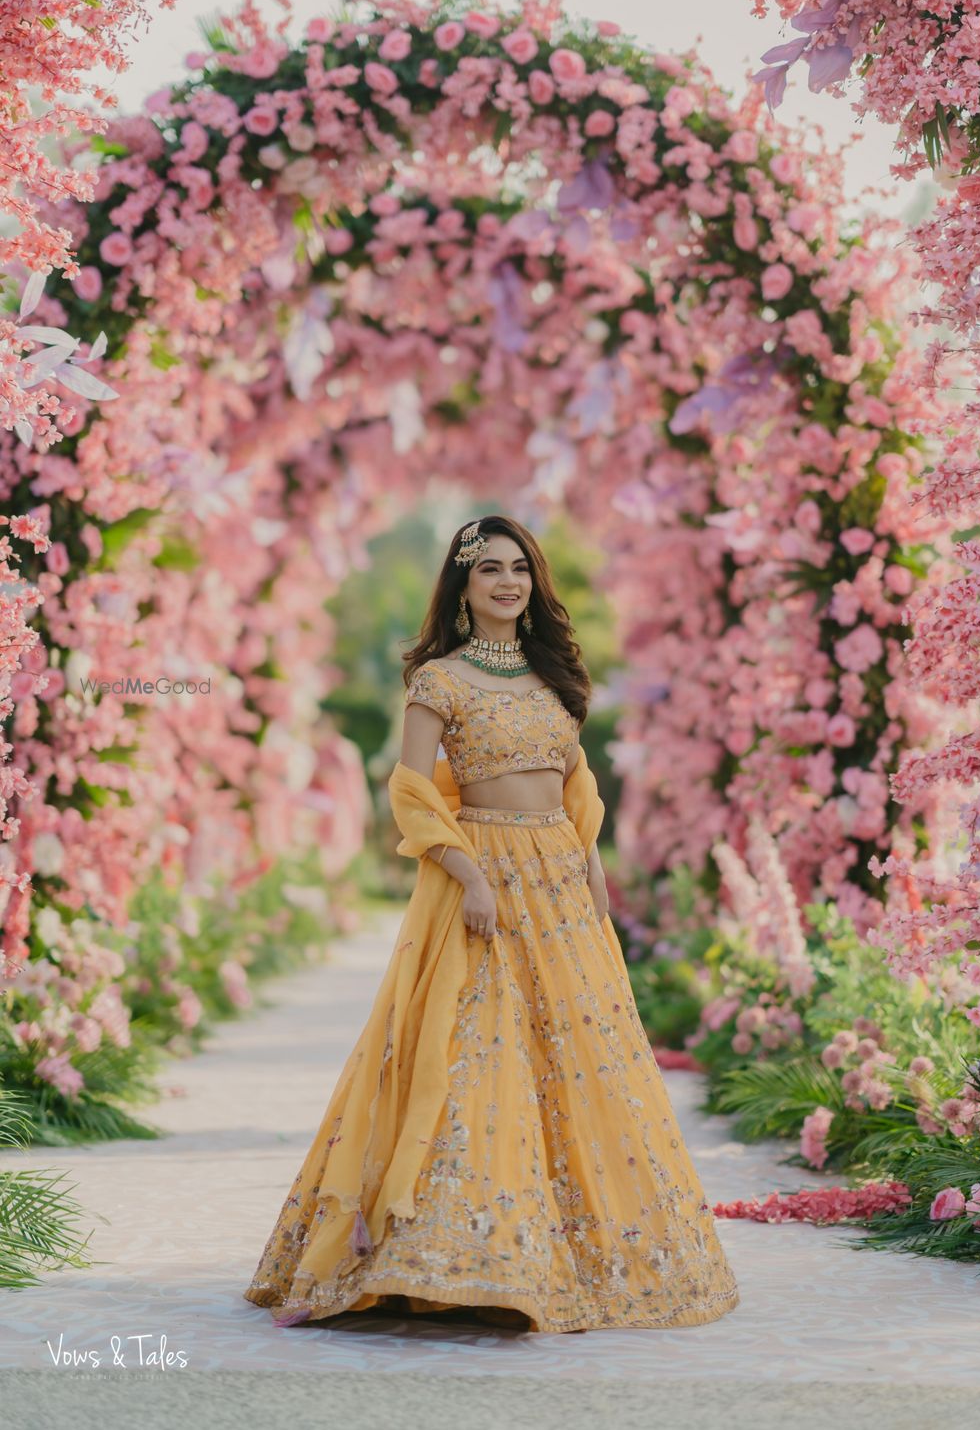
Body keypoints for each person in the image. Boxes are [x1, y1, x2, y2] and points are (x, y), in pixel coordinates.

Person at [243, 514, 740, 1334]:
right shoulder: (438, 679)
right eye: (488, 571)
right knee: (477, 1052)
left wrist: (592, 868)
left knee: (579, 1058)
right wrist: (467, 870)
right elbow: (408, 788)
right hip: (484, 877)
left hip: (559, 876)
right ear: (463, 587)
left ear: (533, 583)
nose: (506, 582)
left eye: (518, 569)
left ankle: (564, 1254)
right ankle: (447, 1255)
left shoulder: (553, 677)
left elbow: (575, 782)